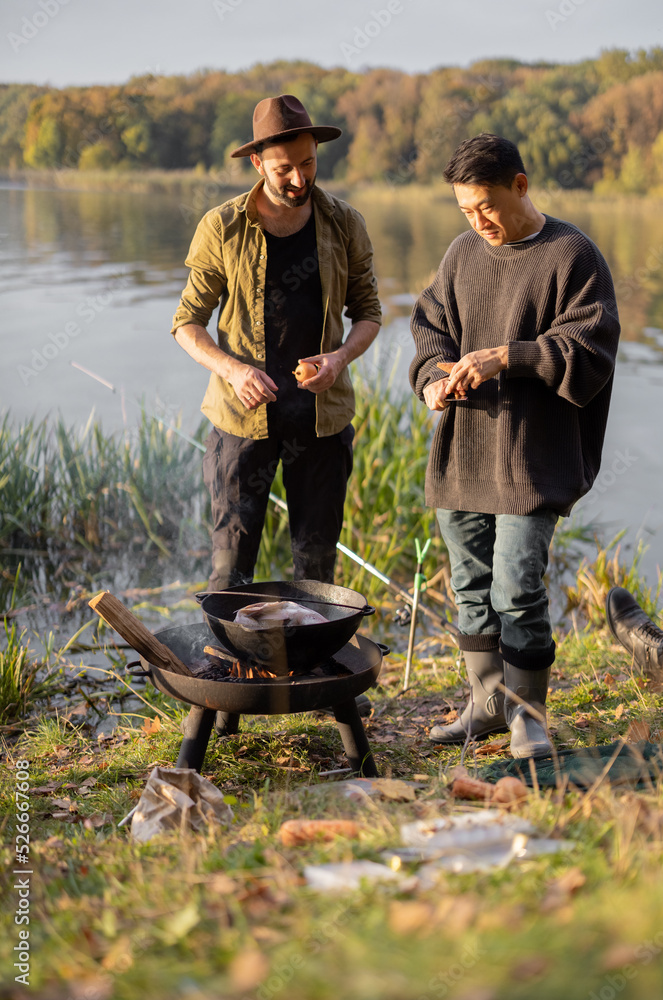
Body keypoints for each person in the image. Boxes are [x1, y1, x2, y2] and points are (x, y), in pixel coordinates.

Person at [409, 133, 621, 759]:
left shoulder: (571, 255)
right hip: (465, 447)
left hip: (533, 456)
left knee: (516, 585)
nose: (478, 223)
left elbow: (592, 349)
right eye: (466, 211)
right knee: (470, 586)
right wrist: (431, 382)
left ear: (521, 186)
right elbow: (430, 329)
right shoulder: (462, 253)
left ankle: (529, 713)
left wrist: (511, 356)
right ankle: (487, 704)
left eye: (487, 207)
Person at [171, 95, 381, 592]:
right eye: (285, 168)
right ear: (257, 162)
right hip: (240, 423)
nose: (300, 179)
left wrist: (340, 357)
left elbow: (369, 312)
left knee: (317, 572)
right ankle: (231, 661)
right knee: (230, 573)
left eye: (308, 163)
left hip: (321, 420)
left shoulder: (345, 223)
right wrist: (233, 370)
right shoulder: (221, 227)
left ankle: (308, 665)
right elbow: (186, 324)